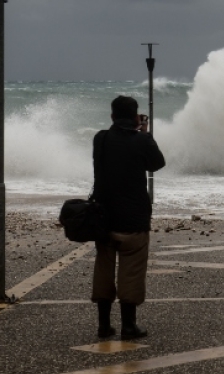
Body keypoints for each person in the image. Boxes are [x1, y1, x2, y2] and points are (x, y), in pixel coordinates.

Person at [91, 95, 165, 340]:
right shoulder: (142, 140)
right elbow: (157, 164)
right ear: (136, 117)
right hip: (133, 218)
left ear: (112, 116)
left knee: (104, 268)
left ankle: (103, 325)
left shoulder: (100, 139)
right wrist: (145, 133)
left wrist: (138, 132)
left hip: (103, 216)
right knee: (131, 271)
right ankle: (128, 326)